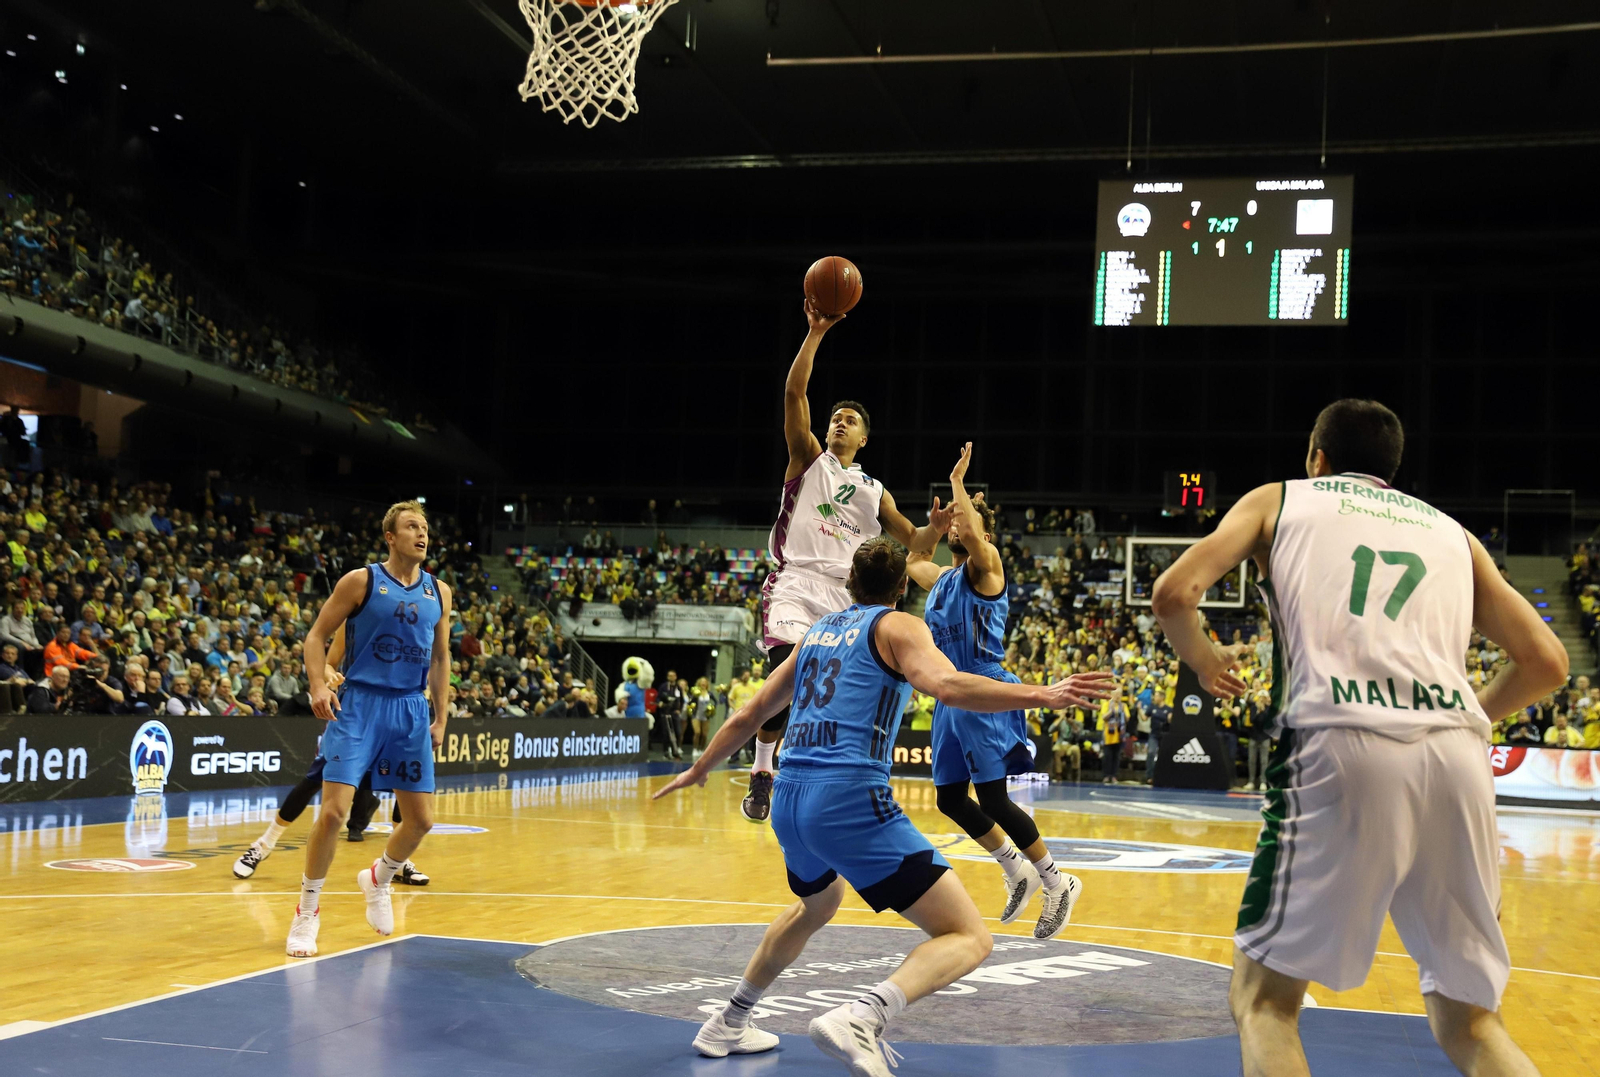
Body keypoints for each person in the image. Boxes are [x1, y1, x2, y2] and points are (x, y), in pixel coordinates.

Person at [1151, 398, 1566, 1077]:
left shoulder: (1279, 500)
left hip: (1340, 740)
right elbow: (1547, 661)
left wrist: (1201, 657)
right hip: (1457, 756)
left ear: (1317, 456)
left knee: (1265, 1003)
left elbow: (1174, 593)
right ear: (1392, 470)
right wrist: (1470, 717)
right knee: (1471, 1023)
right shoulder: (1455, 535)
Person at [654, 538, 1113, 1073]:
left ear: (849, 583)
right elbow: (947, 685)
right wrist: (1043, 694)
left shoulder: (818, 632)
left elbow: (751, 713)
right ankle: (864, 1015)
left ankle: (730, 1020)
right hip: (847, 799)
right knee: (968, 936)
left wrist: (699, 769)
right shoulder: (898, 626)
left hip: (790, 798)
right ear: (902, 589)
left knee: (817, 906)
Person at [743, 300, 945, 823]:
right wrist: (814, 334)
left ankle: (817, 773)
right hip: (795, 582)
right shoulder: (808, 458)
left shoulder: (874, 490)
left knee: (823, 693)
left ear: (864, 439)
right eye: (835, 417)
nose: (839, 422)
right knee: (783, 675)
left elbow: (916, 542)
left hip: (846, 598)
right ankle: (763, 767)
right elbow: (794, 393)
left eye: (849, 420)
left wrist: (939, 530)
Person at [907, 442, 1080, 937]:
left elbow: (978, 542)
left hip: (984, 688)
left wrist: (959, 486)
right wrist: (934, 529)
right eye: (955, 521)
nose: (957, 524)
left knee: (995, 800)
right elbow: (915, 555)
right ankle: (1015, 870)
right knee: (948, 799)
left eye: (965, 520)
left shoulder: (989, 569)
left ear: (981, 530)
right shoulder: (941, 577)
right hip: (948, 694)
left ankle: (1056, 880)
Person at [285, 501, 451, 959]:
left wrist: (441, 716)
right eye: (411, 526)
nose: (421, 533)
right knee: (334, 814)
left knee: (421, 821)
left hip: (410, 711)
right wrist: (318, 683)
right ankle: (307, 912)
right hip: (358, 705)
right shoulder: (360, 581)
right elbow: (316, 636)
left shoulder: (440, 591)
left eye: (425, 526)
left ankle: (379, 877)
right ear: (390, 538)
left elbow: (440, 658)